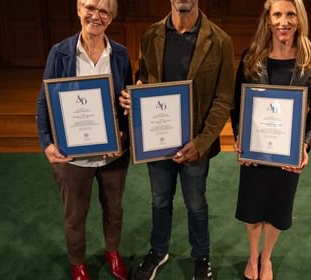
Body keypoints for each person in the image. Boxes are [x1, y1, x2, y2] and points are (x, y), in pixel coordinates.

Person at [119, 0, 234, 279]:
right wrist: (138, 91)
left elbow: (223, 99)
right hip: (157, 141)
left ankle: (201, 256)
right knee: (159, 200)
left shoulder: (220, 41)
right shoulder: (150, 35)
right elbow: (143, 74)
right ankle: (158, 251)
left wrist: (202, 142)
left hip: (196, 144)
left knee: (196, 203)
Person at [230, 0, 311, 279]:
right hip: (255, 148)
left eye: (290, 15)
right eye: (277, 15)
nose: (283, 22)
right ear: (268, 19)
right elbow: (237, 104)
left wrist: (305, 145)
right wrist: (240, 138)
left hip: (288, 153)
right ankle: (252, 256)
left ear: (300, 19)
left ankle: (266, 257)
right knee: (252, 208)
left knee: (278, 208)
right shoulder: (252, 57)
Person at [36, 0, 133, 279]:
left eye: (104, 11)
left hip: (113, 154)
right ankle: (78, 262)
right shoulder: (60, 53)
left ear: (111, 17)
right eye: (90, 7)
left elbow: (124, 100)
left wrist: (127, 113)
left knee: (114, 209)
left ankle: (112, 252)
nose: (96, 16)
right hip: (72, 155)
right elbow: (44, 101)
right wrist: (47, 143)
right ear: (78, 9)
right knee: (75, 215)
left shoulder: (120, 54)